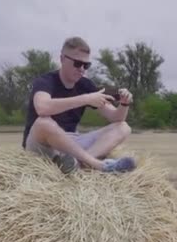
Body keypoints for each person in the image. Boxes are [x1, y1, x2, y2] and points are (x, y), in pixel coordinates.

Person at [21, 36, 137, 174]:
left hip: (72, 142)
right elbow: (42, 108)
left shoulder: (85, 85)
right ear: (62, 59)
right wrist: (85, 99)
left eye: (86, 65)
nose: (82, 69)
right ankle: (99, 165)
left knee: (123, 128)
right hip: (42, 144)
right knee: (43, 122)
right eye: (77, 63)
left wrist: (124, 104)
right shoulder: (46, 81)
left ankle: (78, 164)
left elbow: (116, 118)